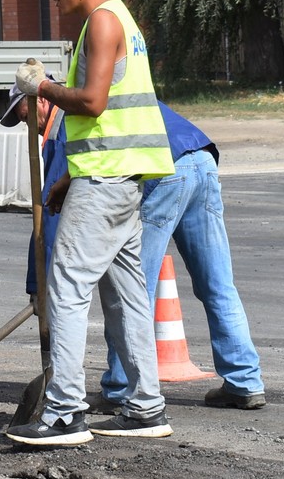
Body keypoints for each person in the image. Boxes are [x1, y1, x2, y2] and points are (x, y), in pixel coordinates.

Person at [5, 0, 174, 447]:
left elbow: (94, 103)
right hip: (117, 178)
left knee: (68, 288)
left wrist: (42, 87)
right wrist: (68, 176)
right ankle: (145, 407)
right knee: (126, 298)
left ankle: (63, 414)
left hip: (107, 183)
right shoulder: (121, 20)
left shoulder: (101, 22)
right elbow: (111, 120)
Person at [97, 103, 267, 410]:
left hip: (164, 169)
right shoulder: (122, 84)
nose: (31, 125)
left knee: (133, 288)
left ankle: (122, 386)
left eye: (24, 115)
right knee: (218, 285)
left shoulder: (81, 105)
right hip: (201, 159)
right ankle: (245, 382)